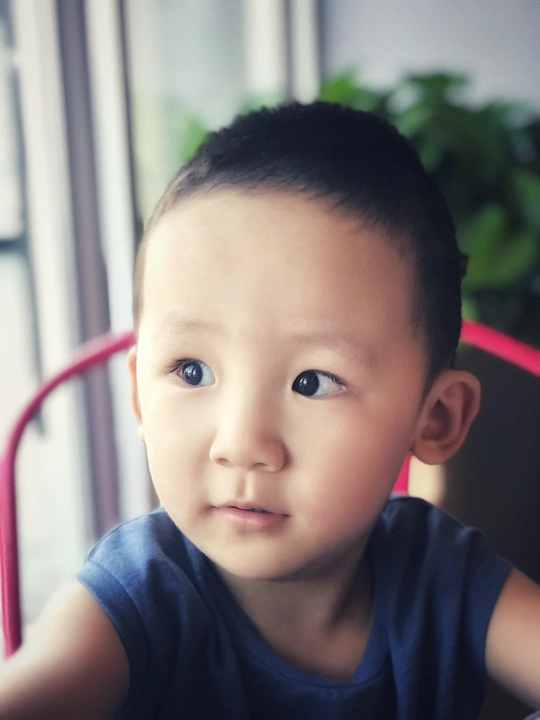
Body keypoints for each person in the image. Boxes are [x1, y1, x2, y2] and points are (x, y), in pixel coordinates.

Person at [1, 101, 539, 719]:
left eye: (313, 382)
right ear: (140, 396)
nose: (241, 443)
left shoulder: (442, 575)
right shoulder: (134, 600)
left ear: (436, 417)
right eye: (191, 371)